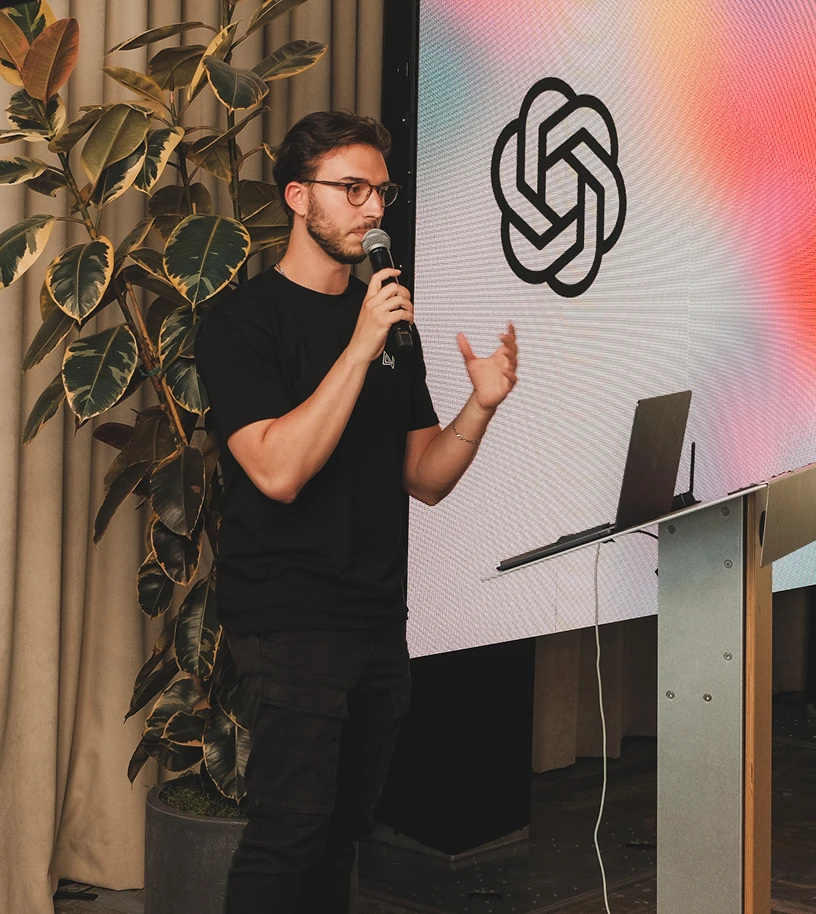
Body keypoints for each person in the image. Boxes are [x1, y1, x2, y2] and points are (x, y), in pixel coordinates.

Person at [194, 110, 518, 913]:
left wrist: (478, 410)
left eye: (381, 191)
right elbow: (276, 470)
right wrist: (357, 346)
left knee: (342, 833)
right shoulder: (242, 322)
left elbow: (425, 476)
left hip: (376, 617)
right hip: (287, 615)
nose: (374, 209)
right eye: (352, 190)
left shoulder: (385, 322)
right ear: (298, 197)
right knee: (288, 834)